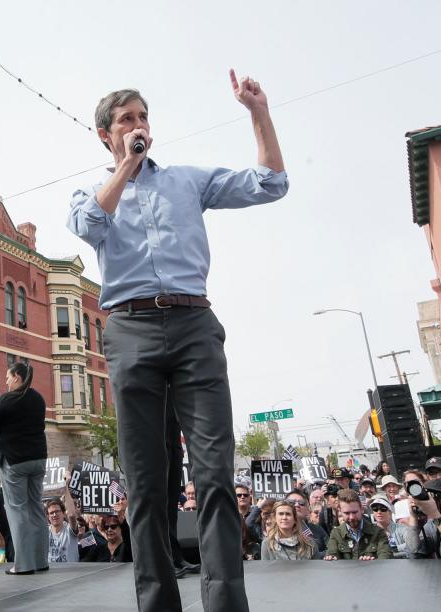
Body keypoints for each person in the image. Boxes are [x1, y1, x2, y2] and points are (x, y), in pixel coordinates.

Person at [66, 72, 287, 612]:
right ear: (105, 135)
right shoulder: (90, 192)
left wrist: (258, 113)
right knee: (145, 484)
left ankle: (226, 603)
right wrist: (127, 165)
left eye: (143, 118)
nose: (139, 126)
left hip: (194, 328)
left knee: (213, 474)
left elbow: (270, 183)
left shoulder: (188, 180)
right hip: (131, 332)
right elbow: (88, 224)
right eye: (126, 121)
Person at [0, 361, 49, 575]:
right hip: (38, 459)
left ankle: (23, 565)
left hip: (15, 463)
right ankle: (40, 561)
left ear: (17, 377)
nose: (6, 380)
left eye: (8, 377)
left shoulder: (7, 400)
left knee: (16, 511)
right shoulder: (38, 398)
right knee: (36, 507)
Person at [324, 489, 392, 561]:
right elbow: (332, 553)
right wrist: (331, 558)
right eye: (347, 513)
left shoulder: (378, 533)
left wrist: (373, 563)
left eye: (354, 512)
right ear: (340, 511)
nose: (352, 517)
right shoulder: (336, 533)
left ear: (362, 509)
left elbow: (385, 558)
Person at [284, 490, 327, 556]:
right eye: (291, 502)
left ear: (307, 510)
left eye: (301, 503)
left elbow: (331, 550)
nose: (297, 505)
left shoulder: (317, 529)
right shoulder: (277, 532)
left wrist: (317, 556)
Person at [45, 495, 79, 564]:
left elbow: (72, 514)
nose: (54, 515)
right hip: (51, 572)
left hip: (71, 572)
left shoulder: (69, 529)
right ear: (48, 517)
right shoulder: (45, 532)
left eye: (57, 511)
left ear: (64, 514)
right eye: (51, 513)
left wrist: (66, 488)